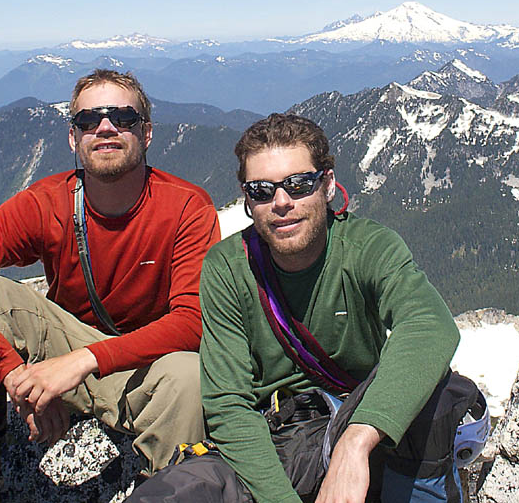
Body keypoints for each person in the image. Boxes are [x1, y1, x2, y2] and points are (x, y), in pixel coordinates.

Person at [129, 113, 464, 503]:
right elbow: (230, 404)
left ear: (327, 184)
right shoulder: (227, 268)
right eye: (262, 190)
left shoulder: (368, 248)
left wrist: (354, 443)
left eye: (299, 184)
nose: (282, 202)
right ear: (246, 199)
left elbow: (429, 325)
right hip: (269, 440)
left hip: (356, 419)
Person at [0, 69, 221, 497]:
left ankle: (165, 487)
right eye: (88, 120)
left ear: (147, 133)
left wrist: (81, 362)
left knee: (190, 376)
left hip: (148, 367)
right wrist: (17, 379)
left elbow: (192, 322)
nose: (105, 127)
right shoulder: (46, 203)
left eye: (123, 117)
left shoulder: (186, 206)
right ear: (73, 137)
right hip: (63, 361)